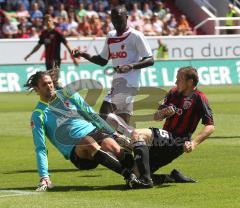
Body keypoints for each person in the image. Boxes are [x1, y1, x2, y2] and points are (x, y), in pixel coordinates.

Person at [24, 70, 152, 191]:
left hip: (93, 132)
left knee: (116, 149)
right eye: (44, 84)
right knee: (87, 141)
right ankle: (129, 176)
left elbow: (91, 114)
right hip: (76, 150)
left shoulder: (68, 94)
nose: (49, 86)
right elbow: (41, 147)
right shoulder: (38, 114)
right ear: (37, 89)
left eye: (50, 82)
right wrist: (44, 176)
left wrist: (114, 133)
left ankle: (146, 176)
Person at [108, 66, 215, 184]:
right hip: (163, 141)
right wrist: (164, 113)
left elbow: (210, 126)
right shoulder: (173, 92)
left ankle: (144, 177)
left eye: (179, 80)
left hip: (177, 141)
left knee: (138, 134)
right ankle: (171, 177)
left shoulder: (199, 97)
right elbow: (156, 117)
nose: (175, 82)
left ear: (190, 82)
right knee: (135, 174)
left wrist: (194, 143)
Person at [72, 5, 154, 124]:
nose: (116, 22)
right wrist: (82, 54)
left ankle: (102, 141)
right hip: (117, 81)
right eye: (114, 19)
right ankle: (132, 140)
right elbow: (102, 60)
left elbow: (150, 59)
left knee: (103, 115)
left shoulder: (136, 35)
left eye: (119, 18)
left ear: (126, 17)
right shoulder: (110, 36)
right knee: (123, 124)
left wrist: (130, 66)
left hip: (128, 83)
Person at [24, 15, 78, 81]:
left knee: (54, 79)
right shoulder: (44, 33)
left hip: (56, 59)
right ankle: (57, 89)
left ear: (52, 21)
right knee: (50, 79)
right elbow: (38, 45)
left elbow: (67, 44)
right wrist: (29, 54)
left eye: (49, 20)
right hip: (48, 59)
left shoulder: (57, 32)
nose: (48, 22)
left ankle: (58, 90)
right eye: (46, 21)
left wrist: (74, 58)